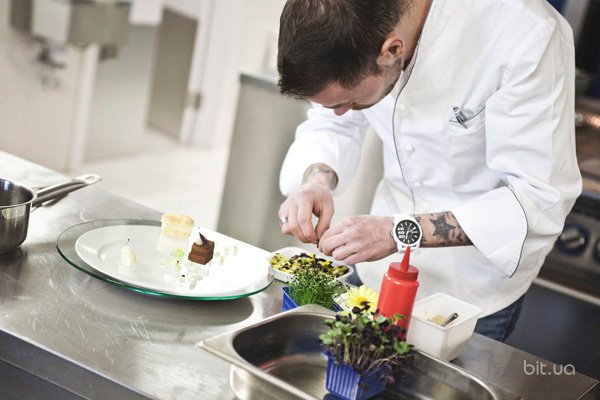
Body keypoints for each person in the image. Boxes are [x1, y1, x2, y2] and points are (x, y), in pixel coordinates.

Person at [276, 0, 582, 342]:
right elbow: (332, 121)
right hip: (374, 273)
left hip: (468, 297)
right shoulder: (353, 22)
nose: (341, 111)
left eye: (349, 102)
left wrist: (397, 232)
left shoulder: (527, 32)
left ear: (392, 50)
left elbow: (538, 200)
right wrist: (317, 181)